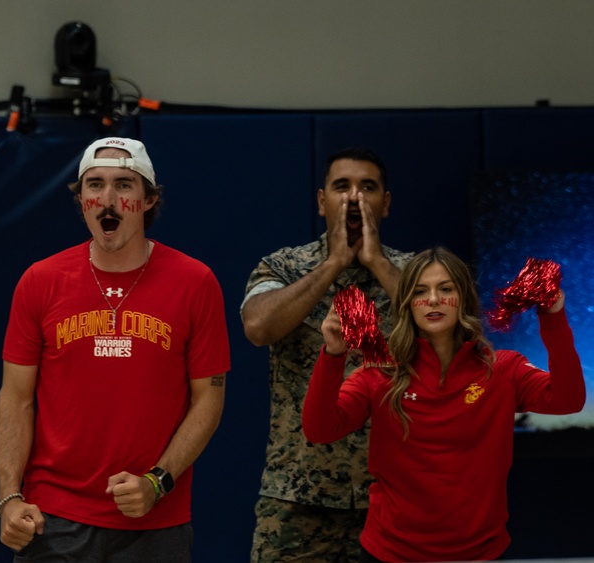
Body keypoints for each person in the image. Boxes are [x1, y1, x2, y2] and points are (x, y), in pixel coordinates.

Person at [0, 137, 230, 562]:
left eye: (124, 185)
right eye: (95, 185)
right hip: (54, 515)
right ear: (81, 199)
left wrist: (158, 481)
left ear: (149, 199)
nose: (108, 199)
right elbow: (15, 398)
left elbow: (209, 398)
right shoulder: (40, 281)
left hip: (154, 517)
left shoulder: (196, 282)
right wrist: (9, 496)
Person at [303, 247, 585, 562]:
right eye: (421, 291)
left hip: (480, 554)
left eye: (446, 289)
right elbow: (319, 429)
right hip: (392, 553)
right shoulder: (378, 375)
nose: (434, 300)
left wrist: (552, 317)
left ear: (463, 298)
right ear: (408, 304)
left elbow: (568, 399)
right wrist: (332, 355)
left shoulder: (503, 369)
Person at [241, 147, 413, 562]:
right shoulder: (283, 266)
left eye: (367, 188)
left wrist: (376, 263)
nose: (354, 198)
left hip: (396, 497)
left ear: (385, 204)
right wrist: (334, 263)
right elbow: (258, 327)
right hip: (298, 496)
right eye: (342, 187)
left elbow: (453, 346)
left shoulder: (417, 274)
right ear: (322, 201)